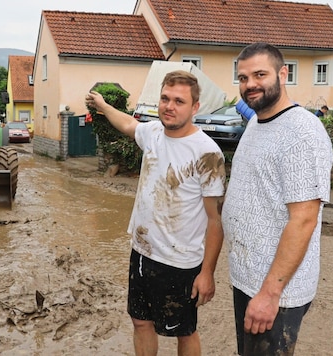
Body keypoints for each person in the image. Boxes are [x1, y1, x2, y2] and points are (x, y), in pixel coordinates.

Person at [86, 70, 226, 356]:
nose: (169, 106)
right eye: (164, 98)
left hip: (179, 261)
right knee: (140, 321)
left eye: (179, 101)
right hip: (142, 251)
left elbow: (215, 221)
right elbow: (127, 123)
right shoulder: (152, 133)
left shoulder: (208, 155)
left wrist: (207, 273)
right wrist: (102, 105)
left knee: (183, 331)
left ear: (195, 108)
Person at [222, 42, 333, 356]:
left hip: (276, 292)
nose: (250, 84)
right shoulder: (257, 122)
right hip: (250, 279)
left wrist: (270, 295)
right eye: (243, 78)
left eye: (260, 74)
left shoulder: (303, 133)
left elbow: (303, 220)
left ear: (283, 74)